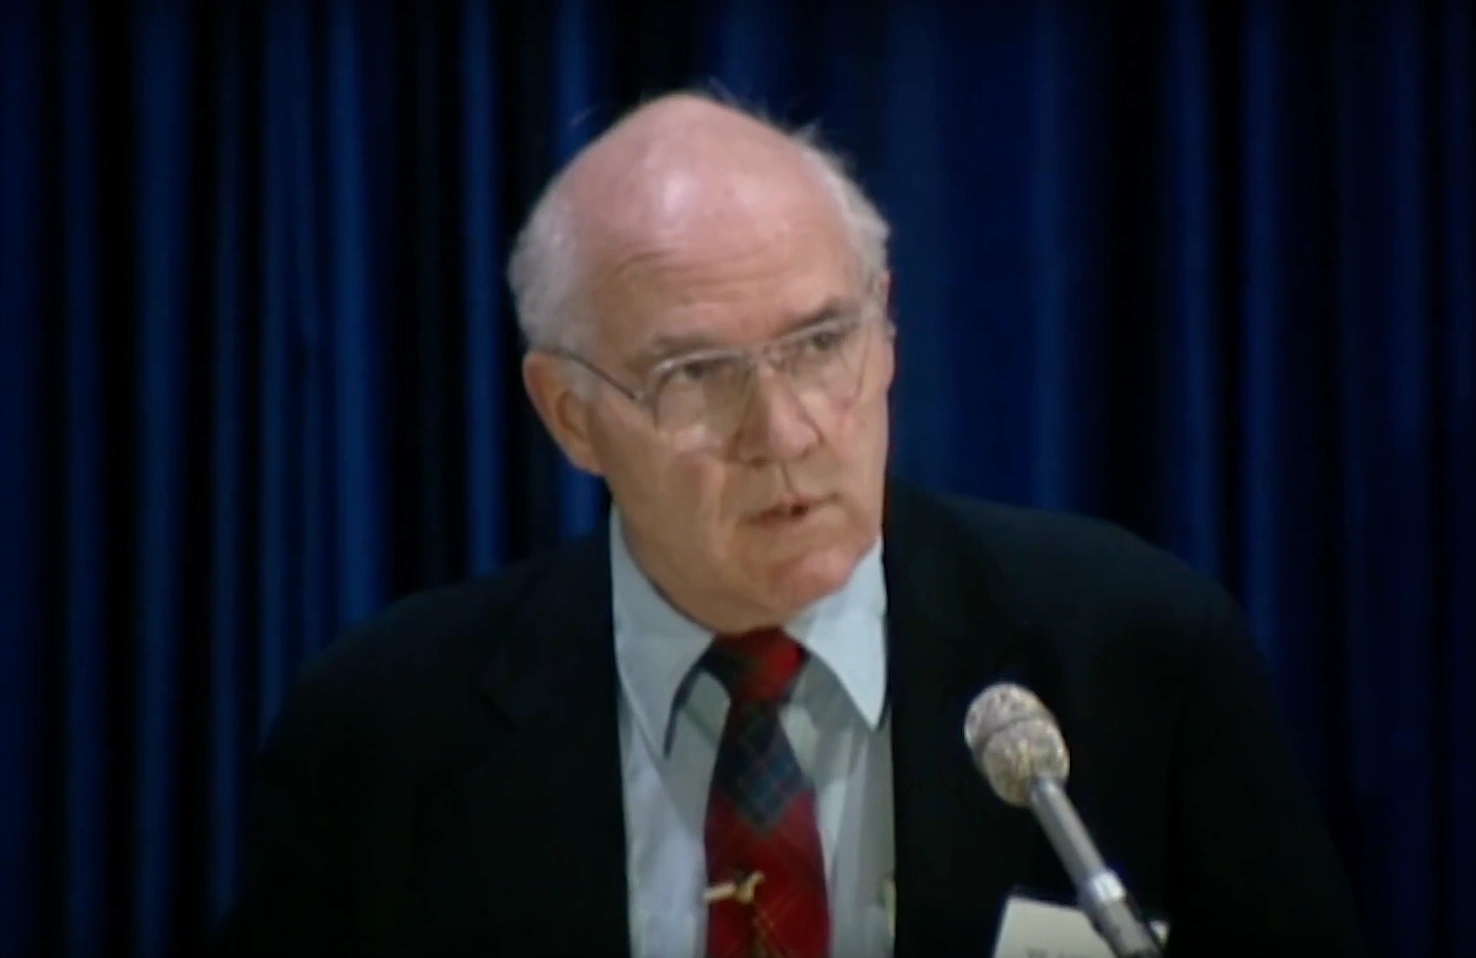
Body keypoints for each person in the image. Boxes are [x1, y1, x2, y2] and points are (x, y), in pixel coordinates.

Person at [209, 92, 1368, 958]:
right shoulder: (379, 737)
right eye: (699, 373)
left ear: (890, 336)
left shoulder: (1138, 660)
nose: (786, 428)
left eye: (822, 344)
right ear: (570, 415)